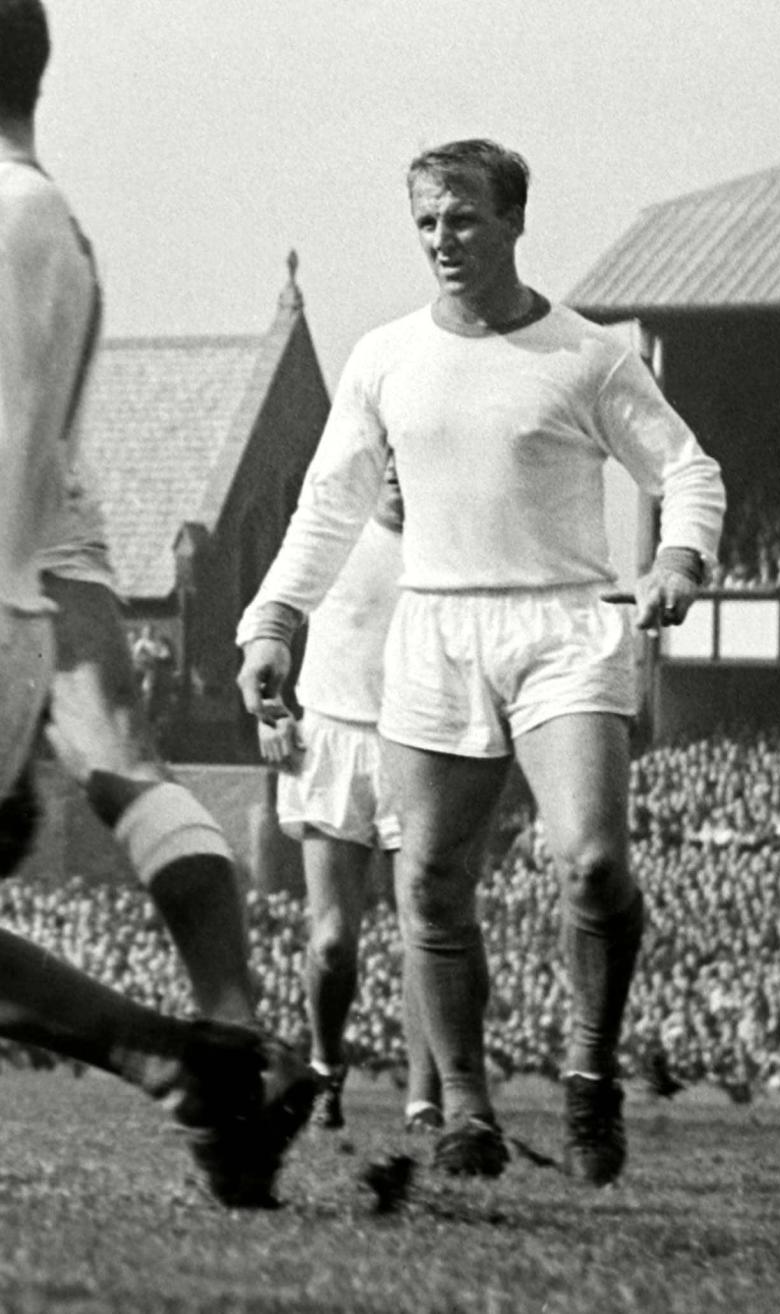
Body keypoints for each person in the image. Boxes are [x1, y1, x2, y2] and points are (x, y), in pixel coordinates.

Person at [237, 138, 725, 1185]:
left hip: (562, 622)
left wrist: (679, 558)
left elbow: (687, 471)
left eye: (462, 218)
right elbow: (327, 507)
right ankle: (466, 1113)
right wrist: (272, 621)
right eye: (425, 222)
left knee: (591, 862)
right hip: (437, 627)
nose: (442, 240)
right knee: (432, 888)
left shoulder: (586, 355)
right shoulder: (383, 357)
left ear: (511, 221)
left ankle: (590, 1075)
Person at [0, 0, 315, 1207]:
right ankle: (215, 1044)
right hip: (44, 575)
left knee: (126, 770)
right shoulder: (55, 229)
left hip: (11, 592)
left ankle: (193, 1059)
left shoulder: (14, 222)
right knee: (130, 771)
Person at [255, 465, 443, 1133]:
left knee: (425, 927)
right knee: (333, 941)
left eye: (408, 460)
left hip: (415, 744)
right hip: (330, 740)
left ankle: (425, 1100)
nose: (398, 474)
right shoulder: (329, 537)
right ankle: (327, 1068)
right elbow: (267, 637)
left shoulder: (447, 548)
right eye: (386, 463)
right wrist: (270, 713)